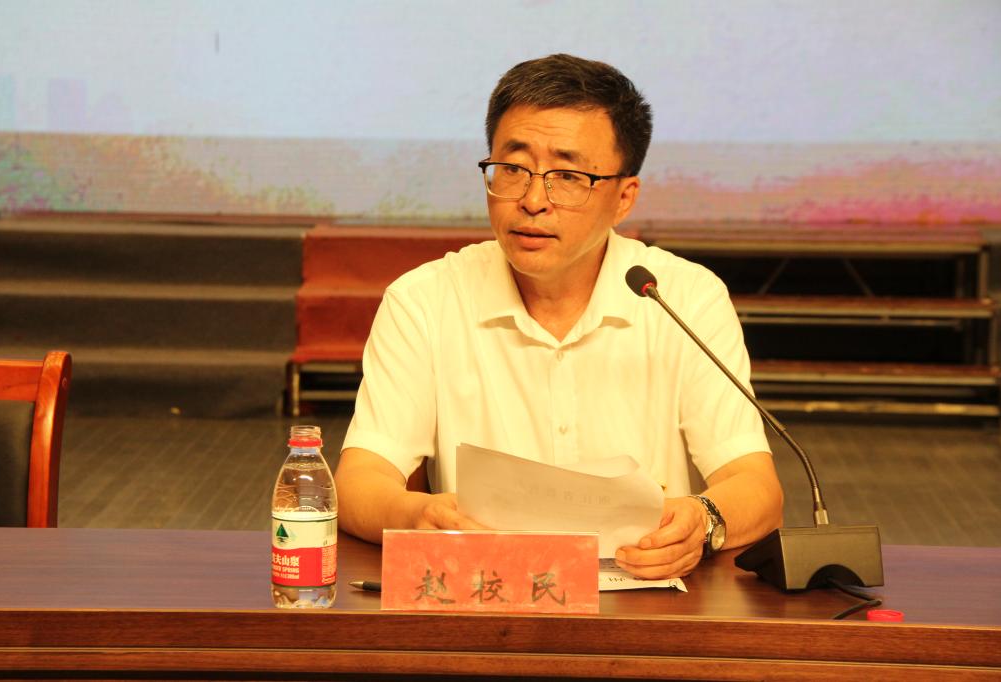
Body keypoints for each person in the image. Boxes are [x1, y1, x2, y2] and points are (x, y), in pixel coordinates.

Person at [335, 53, 783, 579]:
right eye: (512, 169)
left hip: (646, 599)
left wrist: (703, 521)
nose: (532, 200)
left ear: (624, 198)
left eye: (567, 176)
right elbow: (359, 480)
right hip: (486, 596)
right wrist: (415, 515)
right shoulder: (424, 300)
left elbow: (755, 485)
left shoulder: (683, 297)